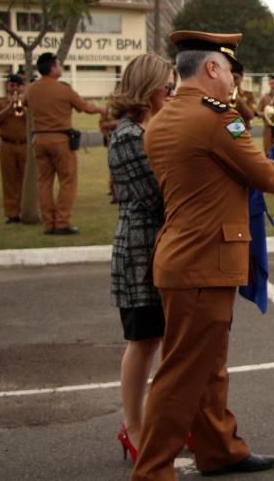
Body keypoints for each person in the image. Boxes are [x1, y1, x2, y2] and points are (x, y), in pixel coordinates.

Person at [131, 30, 274, 480]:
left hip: (181, 257)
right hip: (205, 260)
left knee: (207, 364)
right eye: (227, 72)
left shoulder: (161, 120)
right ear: (211, 69)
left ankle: (220, 448)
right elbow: (263, 174)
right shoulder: (218, 118)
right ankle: (153, 470)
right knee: (182, 374)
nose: (231, 84)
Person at [107, 53, 176, 462]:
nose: (172, 93)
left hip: (160, 246)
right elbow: (158, 194)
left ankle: (156, 423)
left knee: (164, 337)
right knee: (142, 340)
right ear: (149, 89)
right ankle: (132, 426)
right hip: (139, 251)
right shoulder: (130, 136)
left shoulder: (150, 128)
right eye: (167, 87)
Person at [25, 52, 104, 234]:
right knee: (67, 181)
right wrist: (102, 109)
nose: (61, 67)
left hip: (39, 139)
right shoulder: (63, 90)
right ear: (53, 69)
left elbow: (21, 105)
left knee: (44, 181)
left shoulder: (31, 89)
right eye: (59, 65)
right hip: (60, 140)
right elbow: (85, 108)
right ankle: (62, 222)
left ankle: (48, 224)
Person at [0, 74, 28, 223]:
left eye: (18, 86)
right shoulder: (0, 102)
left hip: (24, 145)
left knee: (26, 180)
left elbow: (28, 117)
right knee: (9, 180)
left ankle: (25, 210)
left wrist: (20, 103)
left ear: (22, 87)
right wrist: (9, 106)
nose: (15, 88)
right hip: (7, 145)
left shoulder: (27, 102)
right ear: (8, 86)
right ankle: (12, 213)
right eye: (12, 85)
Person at [257, 74, 274, 152]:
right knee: (268, 153)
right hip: (268, 129)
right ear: (269, 84)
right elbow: (258, 112)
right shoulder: (264, 97)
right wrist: (267, 115)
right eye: (272, 83)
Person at [230, 66, 256, 130]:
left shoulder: (249, 95)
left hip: (243, 130)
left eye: (235, 78)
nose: (233, 81)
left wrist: (239, 100)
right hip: (225, 131)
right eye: (230, 78)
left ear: (242, 78)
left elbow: (251, 115)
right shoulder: (222, 94)